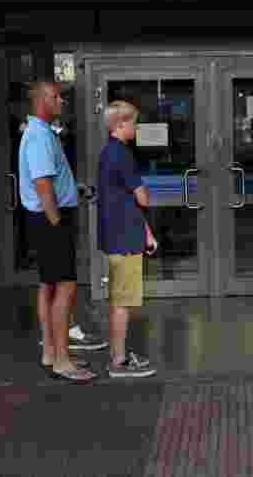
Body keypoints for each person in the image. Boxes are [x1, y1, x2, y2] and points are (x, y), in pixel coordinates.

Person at [19, 81, 97, 383]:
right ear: (42, 101)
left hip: (45, 218)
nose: (61, 102)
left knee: (47, 285)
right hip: (50, 221)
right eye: (56, 97)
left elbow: (48, 181)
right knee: (65, 287)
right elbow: (42, 184)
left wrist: (72, 191)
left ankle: (51, 352)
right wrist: (56, 221)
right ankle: (63, 361)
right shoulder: (39, 136)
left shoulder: (39, 133)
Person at [97, 100, 158, 378]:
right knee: (122, 303)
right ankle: (118, 362)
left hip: (120, 236)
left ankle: (117, 355)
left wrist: (146, 233)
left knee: (120, 300)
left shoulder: (109, 153)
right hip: (124, 239)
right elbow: (141, 197)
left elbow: (125, 202)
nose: (136, 126)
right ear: (120, 124)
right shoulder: (121, 154)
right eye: (133, 122)